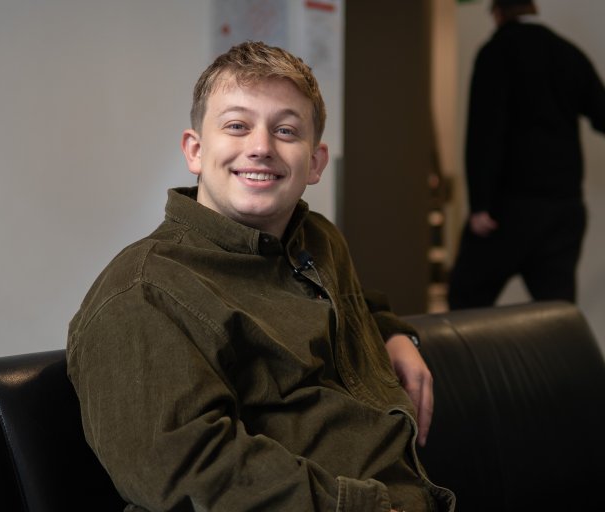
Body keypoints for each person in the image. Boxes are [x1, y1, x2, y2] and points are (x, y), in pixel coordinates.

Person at [67, 41, 455, 511]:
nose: (261, 147)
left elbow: (357, 302)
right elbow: (187, 468)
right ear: (195, 150)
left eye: (286, 130)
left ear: (314, 162)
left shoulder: (316, 239)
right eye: (237, 125)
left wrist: (395, 335)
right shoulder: (145, 290)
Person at [448, 0, 605, 309]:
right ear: (532, 9)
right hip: (564, 209)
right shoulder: (567, 52)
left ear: (497, 14)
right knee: (557, 313)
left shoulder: (496, 52)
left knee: (465, 300)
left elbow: (484, 130)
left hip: (510, 207)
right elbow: (602, 115)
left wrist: (480, 204)